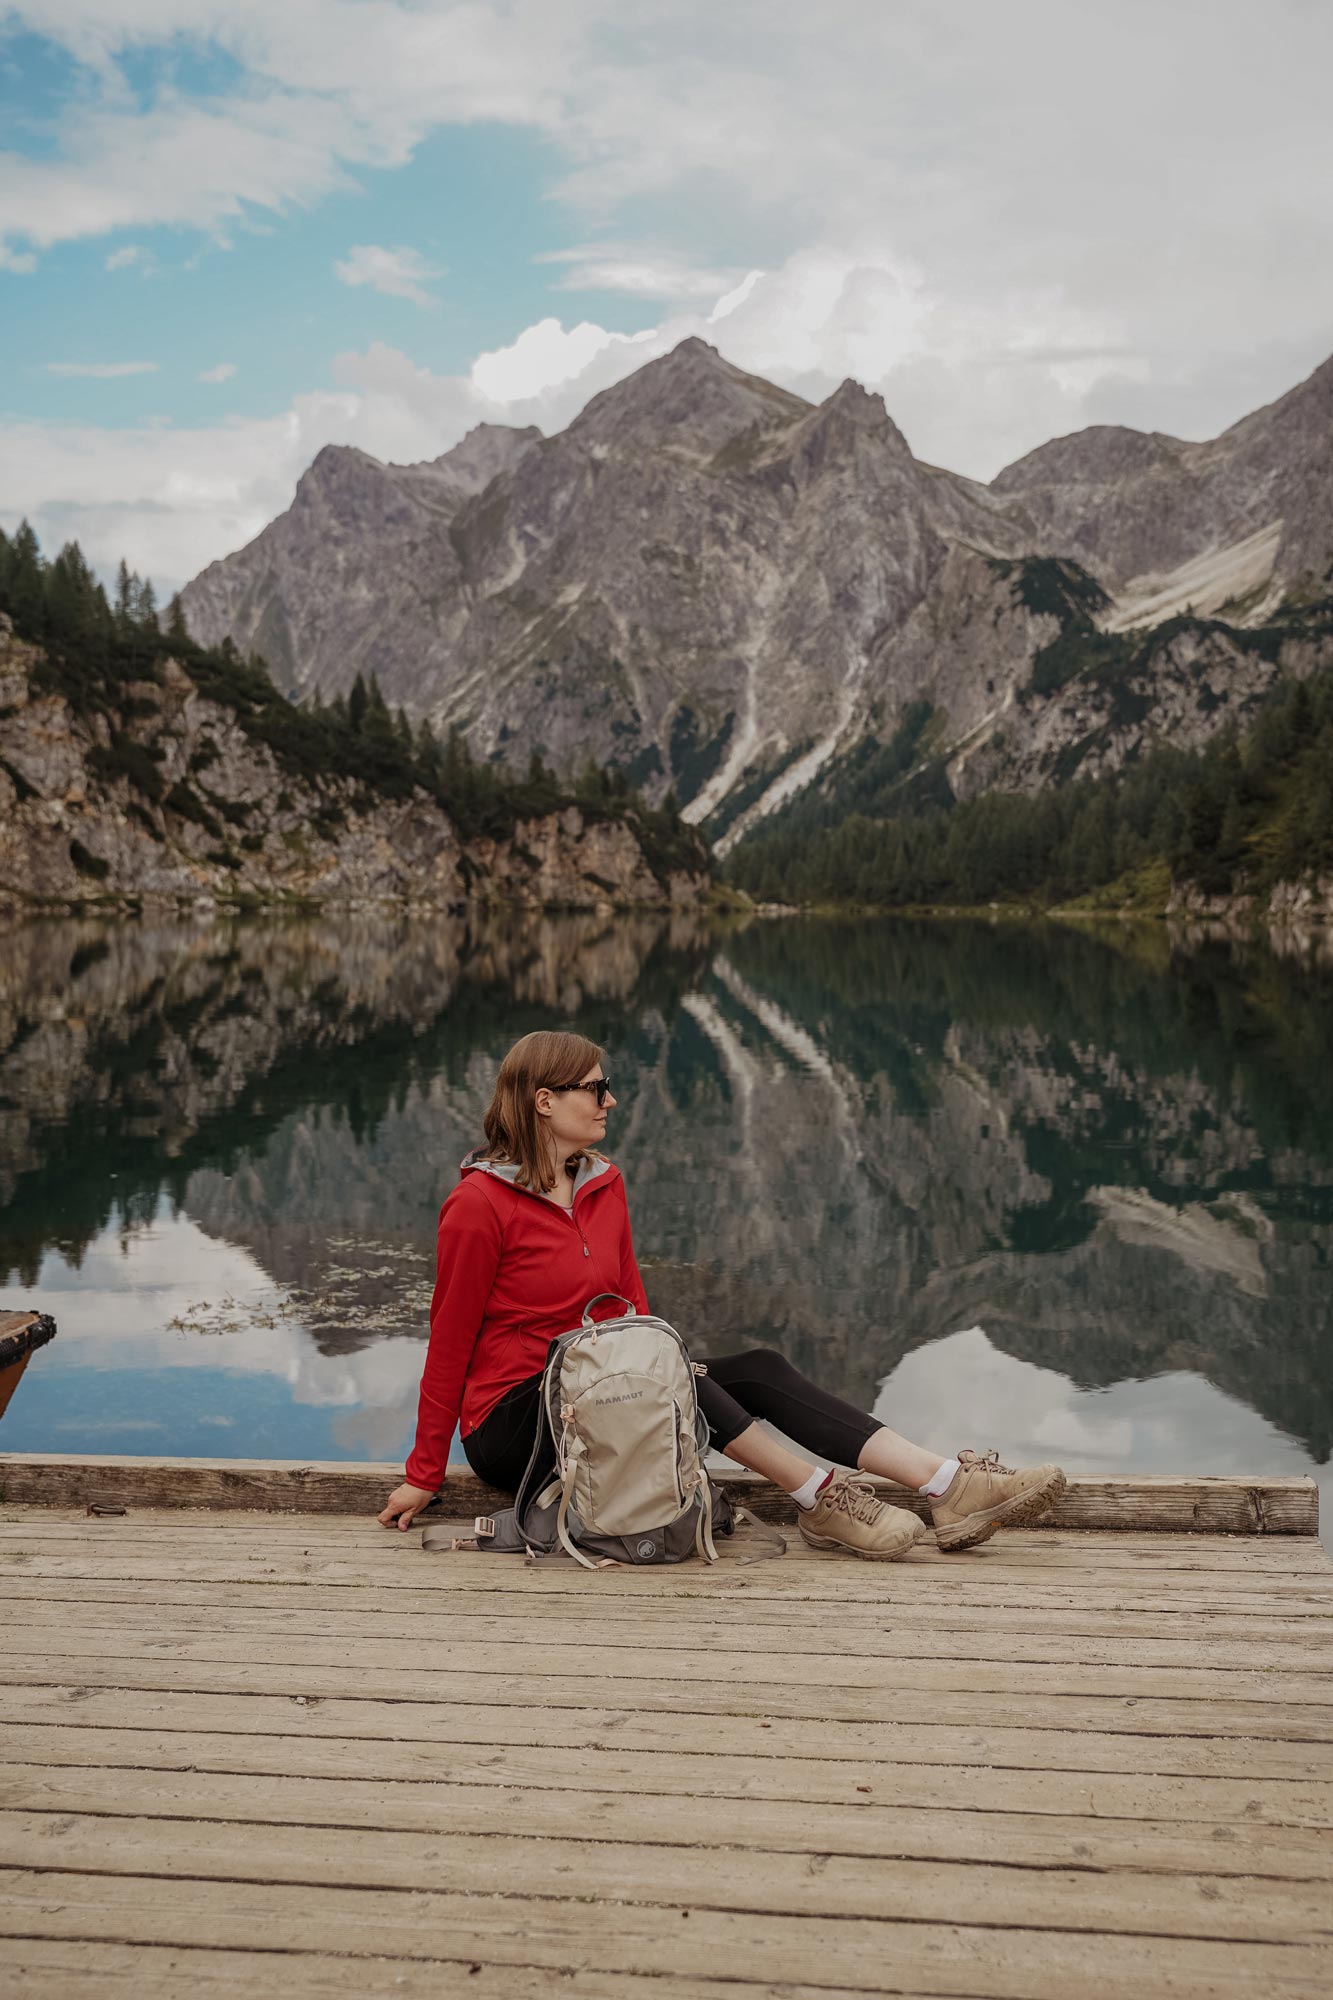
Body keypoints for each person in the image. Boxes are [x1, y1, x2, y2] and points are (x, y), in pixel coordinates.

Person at [379, 1030, 1066, 1558]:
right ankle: (819, 1498)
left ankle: (946, 1486)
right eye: (596, 1088)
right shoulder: (478, 1205)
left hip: (609, 1391)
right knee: (673, 1378)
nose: (610, 1101)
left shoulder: (601, 1183)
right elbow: (449, 1339)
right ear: (544, 1101)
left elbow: (634, 1322)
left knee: (752, 1366)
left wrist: (660, 1366)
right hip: (514, 1420)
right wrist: (424, 1472)